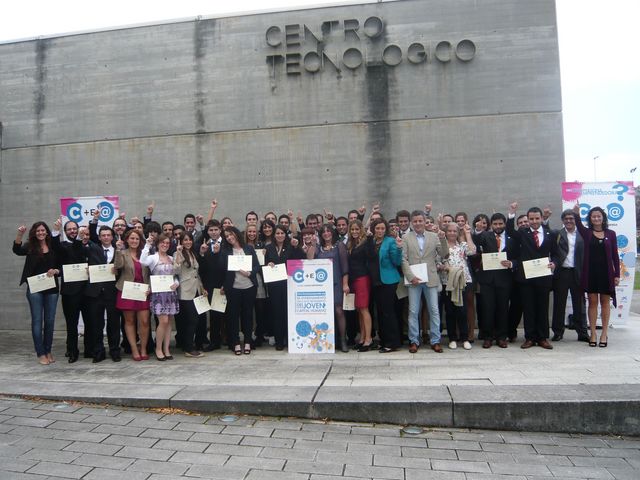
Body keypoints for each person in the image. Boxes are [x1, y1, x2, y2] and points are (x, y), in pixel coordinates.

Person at [507, 205, 557, 349]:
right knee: (528, 308)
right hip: (526, 278)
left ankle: (542, 338)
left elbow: (556, 253)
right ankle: (529, 338)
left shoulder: (550, 234)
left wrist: (554, 263)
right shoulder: (523, 233)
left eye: (537, 218)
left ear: (542, 218)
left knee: (542, 307)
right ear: (528, 220)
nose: (534, 221)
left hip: (544, 276)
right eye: (531, 219)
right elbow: (510, 230)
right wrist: (511, 214)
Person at [401, 210, 449, 353]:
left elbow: (444, 254)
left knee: (434, 310)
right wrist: (410, 276)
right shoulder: (406, 237)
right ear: (411, 222)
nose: (417, 223)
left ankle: (435, 340)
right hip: (414, 279)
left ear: (424, 221)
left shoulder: (434, 236)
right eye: (415, 221)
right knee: (413, 311)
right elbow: (403, 259)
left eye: (420, 221)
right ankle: (414, 340)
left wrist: (443, 239)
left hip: (431, 277)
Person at [13, 221, 60, 365]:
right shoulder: (30, 247)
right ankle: (40, 353)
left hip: (51, 288)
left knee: (50, 321)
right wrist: (19, 234)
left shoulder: (53, 246)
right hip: (35, 289)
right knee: (37, 321)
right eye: (38, 231)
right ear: (34, 232)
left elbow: (59, 266)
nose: (40, 233)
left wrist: (56, 271)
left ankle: (48, 350)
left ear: (47, 232)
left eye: (43, 230)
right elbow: (17, 250)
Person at [573, 205, 620, 347]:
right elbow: (579, 224)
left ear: (603, 218)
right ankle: (593, 333)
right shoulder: (586, 233)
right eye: (593, 216)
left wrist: (616, 274)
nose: (596, 218)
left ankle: (604, 334)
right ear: (591, 219)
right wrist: (576, 213)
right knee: (592, 302)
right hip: (591, 273)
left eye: (599, 216)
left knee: (605, 303)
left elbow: (615, 256)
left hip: (606, 274)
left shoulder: (611, 234)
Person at [51, 218, 91, 363]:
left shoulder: (86, 245)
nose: (73, 231)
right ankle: (72, 350)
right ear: (65, 231)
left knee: (89, 322)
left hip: (87, 291)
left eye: (75, 229)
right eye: (69, 229)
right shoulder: (62, 246)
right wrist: (55, 230)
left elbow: (79, 250)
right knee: (72, 323)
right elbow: (55, 246)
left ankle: (89, 349)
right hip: (70, 293)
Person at [472, 213, 515, 348]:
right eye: (495, 224)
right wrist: (478, 229)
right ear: (491, 225)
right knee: (487, 308)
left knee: (503, 308)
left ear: (504, 224)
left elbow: (518, 256)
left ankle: (502, 337)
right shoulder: (485, 235)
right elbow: (475, 241)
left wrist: (512, 263)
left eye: (500, 224)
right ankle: (488, 337)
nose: (498, 226)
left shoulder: (511, 238)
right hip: (487, 279)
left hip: (505, 279)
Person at [550, 210, 589, 343]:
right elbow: (547, 234)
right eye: (566, 219)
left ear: (575, 220)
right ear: (562, 220)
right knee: (559, 304)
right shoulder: (557, 234)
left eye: (571, 218)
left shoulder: (583, 234)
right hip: (562, 273)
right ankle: (558, 332)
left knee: (580, 304)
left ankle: (582, 332)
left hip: (578, 273)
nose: (569, 221)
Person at [220, 226, 260, 355]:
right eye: (227, 236)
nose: (230, 238)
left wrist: (250, 273)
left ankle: (248, 341)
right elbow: (221, 268)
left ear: (236, 234)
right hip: (233, 288)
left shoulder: (248, 248)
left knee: (248, 315)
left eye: (231, 234)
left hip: (249, 287)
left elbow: (257, 265)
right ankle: (236, 343)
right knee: (233, 316)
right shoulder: (225, 250)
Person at [85, 225, 121, 363]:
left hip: (112, 292)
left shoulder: (119, 250)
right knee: (96, 324)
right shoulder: (92, 249)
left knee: (113, 324)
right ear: (99, 237)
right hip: (95, 292)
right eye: (103, 235)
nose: (106, 237)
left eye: (108, 235)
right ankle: (98, 351)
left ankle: (114, 351)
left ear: (112, 237)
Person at [265, 225, 304, 350]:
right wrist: (268, 264)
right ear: (274, 235)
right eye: (277, 233)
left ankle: (289, 338)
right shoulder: (268, 248)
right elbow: (263, 264)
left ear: (285, 234)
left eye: (282, 233)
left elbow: (300, 259)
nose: (280, 235)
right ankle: (279, 341)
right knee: (277, 313)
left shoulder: (290, 247)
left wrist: (296, 246)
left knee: (288, 311)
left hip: (290, 284)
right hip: (274, 285)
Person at [141, 234, 179, 360]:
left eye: (167, 243)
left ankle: (166, 349)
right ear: (157, 244)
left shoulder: (170, 257)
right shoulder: (152, 257)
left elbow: (176, 275)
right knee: (163, 321)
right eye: (162, 242)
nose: (165, 245)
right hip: (158, 294)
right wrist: (147, 245)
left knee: (169, 323)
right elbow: (142, 261)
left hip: (170, 293)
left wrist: (177, 283)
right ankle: (158, 349)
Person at [367, 218, 403, 353]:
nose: (380, 231)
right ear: (373, 229)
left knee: (388, 312)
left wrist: (399, 249)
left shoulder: (390, 241)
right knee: (380, 312)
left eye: (382, 228)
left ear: (385, 229)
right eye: (377, 228)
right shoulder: (372, 242)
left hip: (388, 281)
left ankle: (392, 342)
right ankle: (383, 340)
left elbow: (397, 261)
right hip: (375, 281)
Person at [114, 229, 151, 361]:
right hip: (127, 291)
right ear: (127, 240)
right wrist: (118, 250)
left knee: (145, 322)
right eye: (132, 238)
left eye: (137, 239)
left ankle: (143, 349)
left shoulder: (145, 253)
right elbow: (117, 266)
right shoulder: (122, 253)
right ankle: (134, 350)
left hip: (143, 291)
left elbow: (152, 272)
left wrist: (151, 287)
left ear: (140, 240)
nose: (134, 241)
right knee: (129, 321)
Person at [314, 224, 350, 352]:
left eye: (328, 231)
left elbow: (345, 266)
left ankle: (342, 339)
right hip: (321, 286)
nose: (326, 234)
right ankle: (327, 341)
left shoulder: (339, 245)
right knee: (324, 313)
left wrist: (345, 284)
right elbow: (310, 261)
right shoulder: (319, 248)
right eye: (323, 232)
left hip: (337, 283)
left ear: (332, 233)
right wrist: (312, 244)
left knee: (339, 311)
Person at [440, 223, 476, 350]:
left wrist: (467, 234)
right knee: (450, 311)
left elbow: (473, 251)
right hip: (447, 282)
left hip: (463, 281)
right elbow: (438, 263)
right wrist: (446, 267)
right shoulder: (441, 246)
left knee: (462, 310)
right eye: (449, 231)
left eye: (454, 231)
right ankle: (452, 338)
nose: (452, 233)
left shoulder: (462, 245)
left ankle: (465, 338)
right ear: (445, 232)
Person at [174, 232, 205, 358]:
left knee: (195, 319)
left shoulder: (193, 253)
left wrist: (202, 287)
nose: (188, 242)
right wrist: (179, 255)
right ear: (181, 241)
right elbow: (175, 270)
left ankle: (190, 345)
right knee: (191, 319)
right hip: (185, 290)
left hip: (196, 289)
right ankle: (188, 347)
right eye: (185, 240)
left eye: (190, 240)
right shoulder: (178, 253)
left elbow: (196, 273)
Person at [198, 220, 225, 350]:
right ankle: (214, 341)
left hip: (223, 284)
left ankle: (229, 339)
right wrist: (202, 254)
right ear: (207, 231)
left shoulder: (226, 244)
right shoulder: (205, 245)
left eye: (216, 230)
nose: (213, 232)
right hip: (208, 284)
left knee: (224, 314)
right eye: (211, 230)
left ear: (220, 230)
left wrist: (218, 253)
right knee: (213, 315)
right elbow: (201, 269)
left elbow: (227, 266)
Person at [346, 220, 373, 351]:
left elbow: (371, 256)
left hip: (362, 277)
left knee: (364, 308)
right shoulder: (351, 243)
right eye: (352, 230)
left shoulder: (366, 242)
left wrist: (369, 237)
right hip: (354, 279)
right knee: (359, 310)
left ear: (361, 229)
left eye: (357, 229)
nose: (355, 232)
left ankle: (368, 339)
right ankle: (362, 338)